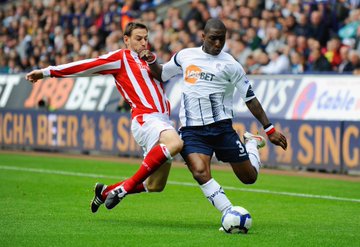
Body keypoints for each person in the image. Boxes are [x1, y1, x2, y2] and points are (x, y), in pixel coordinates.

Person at [136, 18, 288, 227]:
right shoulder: (185, 56)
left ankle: (251, 143)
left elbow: (249, 98)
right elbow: (162, 74)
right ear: (203, 37)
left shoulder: (231, 65)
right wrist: (151, 60)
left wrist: (269, 129)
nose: (218, 44)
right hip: (192, 130)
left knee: (249, 178)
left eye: (222, 40)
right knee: (199, 171)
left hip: (222, 129)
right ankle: (228, 212)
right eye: (214, 39)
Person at [25, 22, 183, 213]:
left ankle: (106, 192)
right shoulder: (121, 58)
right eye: (138, 38)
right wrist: (46, 72)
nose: (143, 42)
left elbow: (163, 76)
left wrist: (152, 61)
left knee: (155, 185)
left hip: (161, 121)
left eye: (146, 38)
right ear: (126, 40)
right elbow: (85, 66)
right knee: (175, 143)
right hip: (146, 118)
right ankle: (123, 189)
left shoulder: (149, 61)